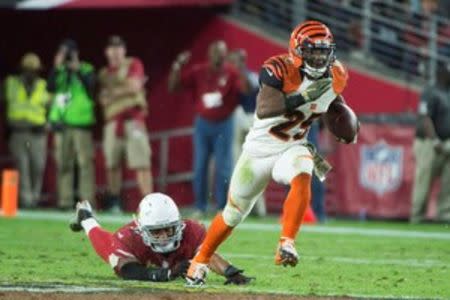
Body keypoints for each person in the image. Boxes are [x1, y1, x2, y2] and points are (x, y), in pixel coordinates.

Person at [186, 20, 354, 285]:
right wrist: (304, 96)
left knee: (303, 169)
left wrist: (347, 124)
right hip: (258, 153)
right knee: (232, 214)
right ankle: (200, 260)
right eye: (313, 51)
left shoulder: (336, 74)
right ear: (297, 50)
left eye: (324, 51)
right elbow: (266, 108)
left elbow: (334, 104)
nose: (320, 57)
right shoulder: (278, 68)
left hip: (291, 147)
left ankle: (286, 243)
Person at [69, 193, 253, 284]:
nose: (164, 236)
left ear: (178, 224)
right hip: (138, 256)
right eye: (157, 232)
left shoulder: (192, 230)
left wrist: (231, 272)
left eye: (169, 229)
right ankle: (86, 218)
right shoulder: (129, 238)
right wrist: (166, 274)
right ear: (142, 230)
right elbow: (128, 270)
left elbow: (208, 254)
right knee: (106, 245)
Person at [168, 40, 244, 216]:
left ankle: (222, 206)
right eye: (217, 52)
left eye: (223, 53)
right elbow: (174, 86)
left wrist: (240, 70)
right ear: (210, 54)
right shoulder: (199, 71)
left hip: (225, 123)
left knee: (224, 166)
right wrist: (177, 65)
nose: (220, 56)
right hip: (203, 123)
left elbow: (245, 93)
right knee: (200, 165)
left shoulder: (232, 72)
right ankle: (200, 206)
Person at [98, 35, 152, 211]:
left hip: (133, 120)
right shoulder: (104, 74)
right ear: (107, 51)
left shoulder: (133, 63)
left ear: (124, 50)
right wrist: (124, 89)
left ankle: (148, 203)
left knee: (142, 162)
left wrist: (113, 93)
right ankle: (114, 202)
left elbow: (134, 86)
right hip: (113, 122)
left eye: (118, 47)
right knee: (112, 164)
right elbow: (102, 100)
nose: (115, 51)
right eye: (111, 48)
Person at [47, 39, 96, 210]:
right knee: (63, 163)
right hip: (62, 125)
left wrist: (78, 70)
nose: (67, 56)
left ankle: (87, 202)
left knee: (85, 164)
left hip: (81, 124)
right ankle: (65, 201)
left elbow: (92, 88)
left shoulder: (86, 68)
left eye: (69, 52)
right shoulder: (59, 71)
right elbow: (50, 87)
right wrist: (56, 66)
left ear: (77, 53)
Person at [3, 53, 50, 208]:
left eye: (33, 70)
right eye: (27, 69)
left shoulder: (44, 85)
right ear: (22, 69)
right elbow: (4, 104)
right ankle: (26, 201)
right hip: (18, 131)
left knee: (38, 166)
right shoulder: (10, 83)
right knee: (21, 166)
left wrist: (48, 124)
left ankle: (34, 198)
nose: (30, 72)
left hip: (38, 133)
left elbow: (52, 108)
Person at [228, 48, 266, 217]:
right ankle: (238, 205)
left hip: (253, 120)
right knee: (236, 165)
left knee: (255, 165)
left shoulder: (250, 76)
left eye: (237, 62)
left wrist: (239, 73)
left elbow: (249, 89)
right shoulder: (230, 78)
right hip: (237, 118)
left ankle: (259, 208)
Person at [410, 63, 450, 224]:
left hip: (447, 143)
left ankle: (444, 214)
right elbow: (424, 117)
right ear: (443, 74)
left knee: (448, 181)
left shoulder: (448, 92)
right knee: (424, 179)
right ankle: (417, 216)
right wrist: (434, 140)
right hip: (428, 143)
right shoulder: (430, 91)